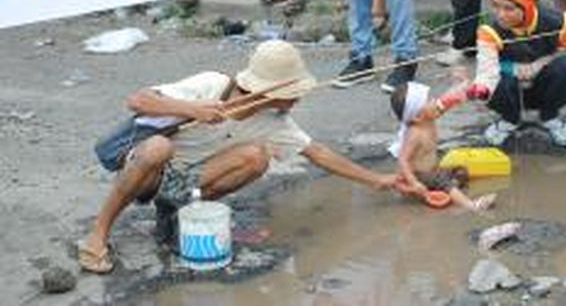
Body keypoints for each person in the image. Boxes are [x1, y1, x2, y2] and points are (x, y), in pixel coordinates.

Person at [78, 40, 399, 274]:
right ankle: (98, 234)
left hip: (183, 180)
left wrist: (380, 181)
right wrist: (193, 110)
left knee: (256, 157)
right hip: (145, 167)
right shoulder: (213, 85)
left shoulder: (274, 123)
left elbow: (320, 154)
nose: (300, 96)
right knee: (159, 147)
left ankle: (174, 209)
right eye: (294, 90)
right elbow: (138, 100)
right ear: (271, 91)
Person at [470, 0, 566, 146]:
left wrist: (539, 64)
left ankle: (549, 116)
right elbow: (487, 70)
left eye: (509, 8)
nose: (501, 14)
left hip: (545, 84)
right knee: (494, 83)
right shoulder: (489, 30)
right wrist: (481, 89)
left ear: (528, 5)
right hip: (509, 87)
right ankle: (510, 119)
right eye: (496, 6)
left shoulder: (558, 21)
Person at [389, 81, 496, 211]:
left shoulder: (428, 118)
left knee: (460, 171)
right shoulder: (414, 134)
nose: (434, 100)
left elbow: (445, 103)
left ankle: (448, 190)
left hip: (434, 170)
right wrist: (414, 183)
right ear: (417, 117)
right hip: (422, 175)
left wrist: (463, 93)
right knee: (444, 182)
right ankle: (472, 206)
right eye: (428, 100)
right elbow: (403, 159)